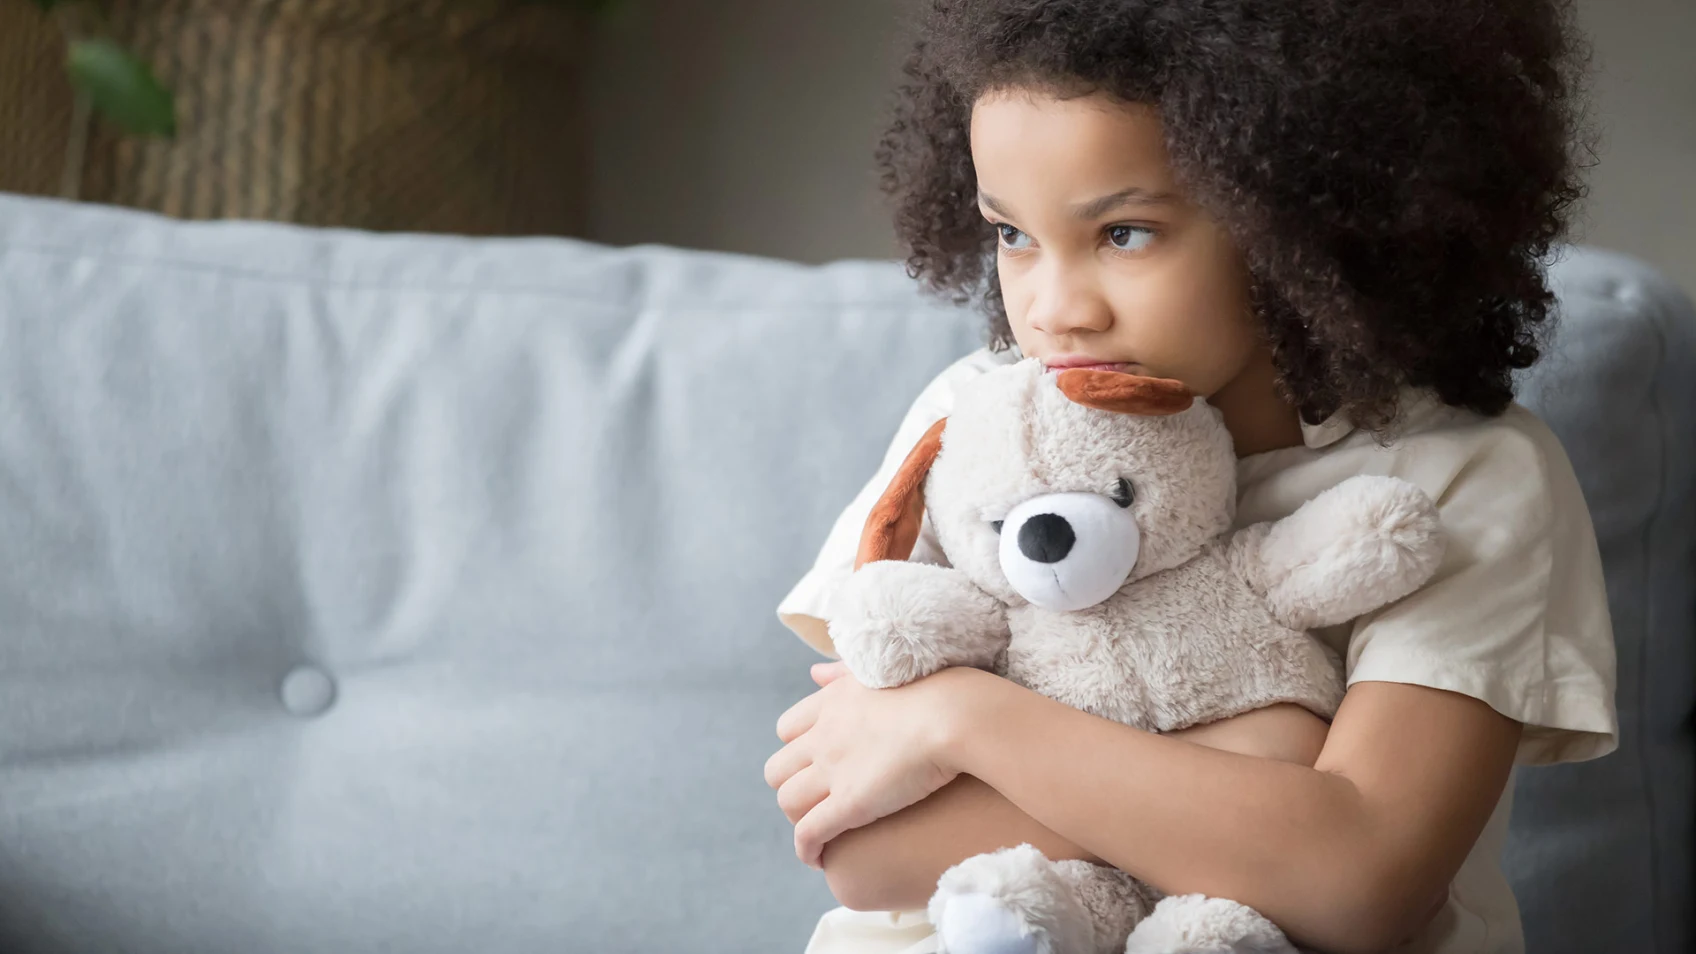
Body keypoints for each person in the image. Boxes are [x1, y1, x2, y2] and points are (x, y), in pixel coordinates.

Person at [763, 1, 1617, 952]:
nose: (1053, 311)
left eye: (1124, 234)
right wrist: (1268, 768)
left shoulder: (1462, 480)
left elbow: (1359, 885)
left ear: (1301, 215)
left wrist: (964, 720)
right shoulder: (974, 423)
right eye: (1012, 235)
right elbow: (859, 849)